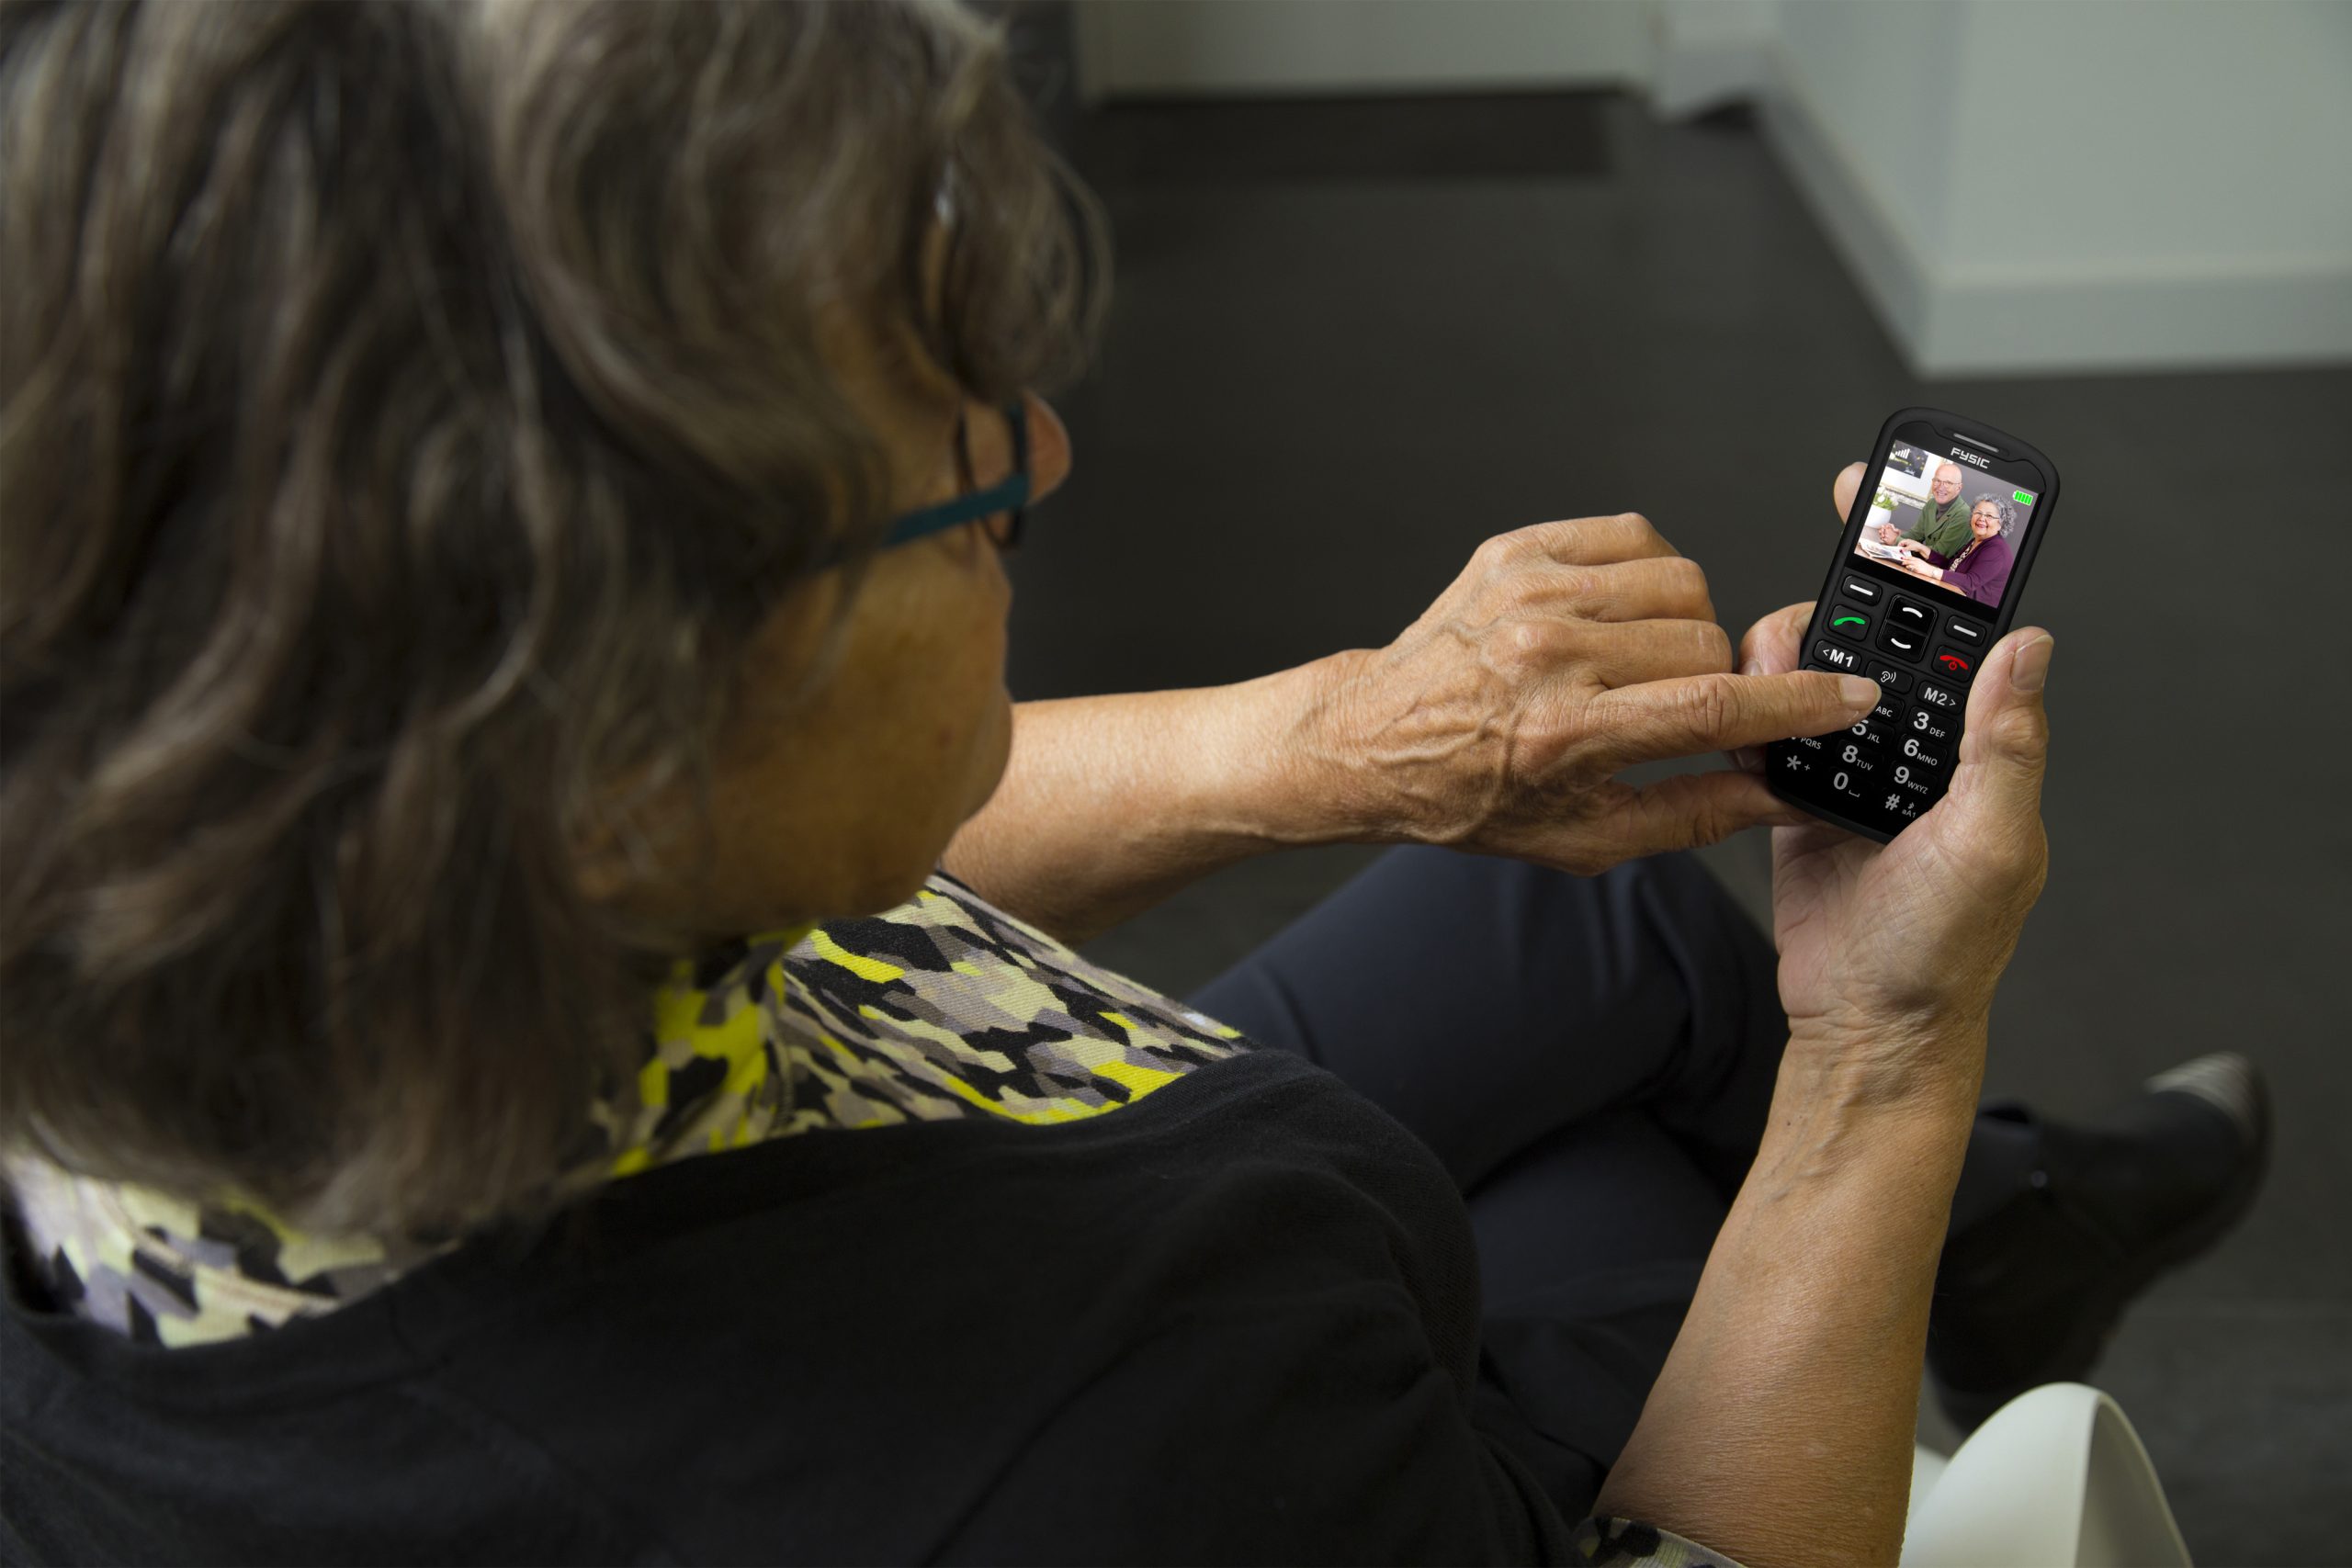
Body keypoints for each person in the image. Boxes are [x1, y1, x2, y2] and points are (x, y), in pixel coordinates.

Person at [0, 5, 2267, 1566]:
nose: (1044, 453)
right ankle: (1966, 1220)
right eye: (946, 457)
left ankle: (2010, 1223)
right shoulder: (1111, 1423)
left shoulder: (210, 865)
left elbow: (802, 874)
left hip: (1088, 1221)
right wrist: (1881, 1048)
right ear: (628, 734)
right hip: (1277, 1392)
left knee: (1575, 905)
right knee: (1659, 1160)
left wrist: (1334, 743)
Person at [1900, 495, 2018, 608]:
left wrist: (1930, 571)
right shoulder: (1977, 540)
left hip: (1971, 611)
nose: (1982, 518)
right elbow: (1952, 566)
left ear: (2001, 523)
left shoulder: (1997, 550)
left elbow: (1970, 582)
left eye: (1989, 516)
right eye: (1978, 513)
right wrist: (1922, 548)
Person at [1878, 459, 1973, 555]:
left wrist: (1896, 540)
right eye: (1937, 480)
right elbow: (1915, 535)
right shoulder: (1932, 503)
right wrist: (1893, 535)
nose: (1940, 487)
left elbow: (1939, 554)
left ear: (1959, 488)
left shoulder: (1964, 514)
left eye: (1948, 483)